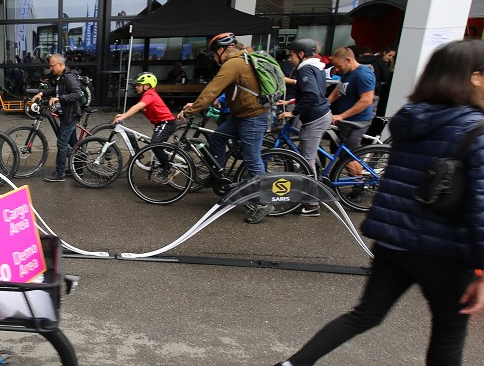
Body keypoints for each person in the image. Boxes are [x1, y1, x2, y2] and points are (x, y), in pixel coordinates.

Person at [264, 39, 484, 366]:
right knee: (449, 329)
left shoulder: (411, 120)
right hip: (445, 251)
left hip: (394, 241)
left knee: (365, 314)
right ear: (475, 77)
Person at [178, 32, 272, 224]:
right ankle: (218, 176)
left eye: (214, 54)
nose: (214, 58)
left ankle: (264, 203)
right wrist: (201, 104)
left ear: (222, 50)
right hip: (240, 115)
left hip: (253, 117)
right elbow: (228, 90)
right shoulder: (240, 61)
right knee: (217, 138)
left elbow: (214, 87)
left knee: (252, 158)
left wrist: (192, 110)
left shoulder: (234, 63)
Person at [276, 38, 332, 216]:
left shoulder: (305, 69)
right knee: (309, 155)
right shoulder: (316, 67)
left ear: (301, 54)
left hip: (314, 118)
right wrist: (290, 101)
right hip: (320, 115)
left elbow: (311, 95)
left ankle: (312, 204)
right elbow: (309, 91)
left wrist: (293, 112)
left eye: (291, 55)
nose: (290, 59)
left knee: (307, 160)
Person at [113, 72, 177, 181]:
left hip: (166, 123)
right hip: (161, 124)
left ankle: (168, 168)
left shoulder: (150, 95)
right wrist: (123, 115)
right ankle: (161, 161)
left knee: (155, 144)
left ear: (147, 86)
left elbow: (137, 107)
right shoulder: (146, 95)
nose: (136, 87)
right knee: (154, 144)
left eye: (139, 85)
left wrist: (123, 117)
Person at [30, 53, 83, 182]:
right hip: (66, 114)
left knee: (61, 143)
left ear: (60, 64)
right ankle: (79, 169)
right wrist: (41, 94)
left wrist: (59, 99)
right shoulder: (61, 77)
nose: (51, 68)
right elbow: (55, 90)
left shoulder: (69, 77)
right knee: (73, 143)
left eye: (52, 65)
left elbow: (77, 94)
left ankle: (59, 174)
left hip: (70, 114)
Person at [327, 47, 376, 176]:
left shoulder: (362, 74)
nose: (337, 70)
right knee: (342, 153)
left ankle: (358, 186)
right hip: (347, 121)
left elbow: (366, 100)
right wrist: (326, 103)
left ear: (348, 60)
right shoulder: (347, 73)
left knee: (348, 156)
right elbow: (339, 89)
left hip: (357, 121)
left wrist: (342, 116)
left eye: (338, 66)